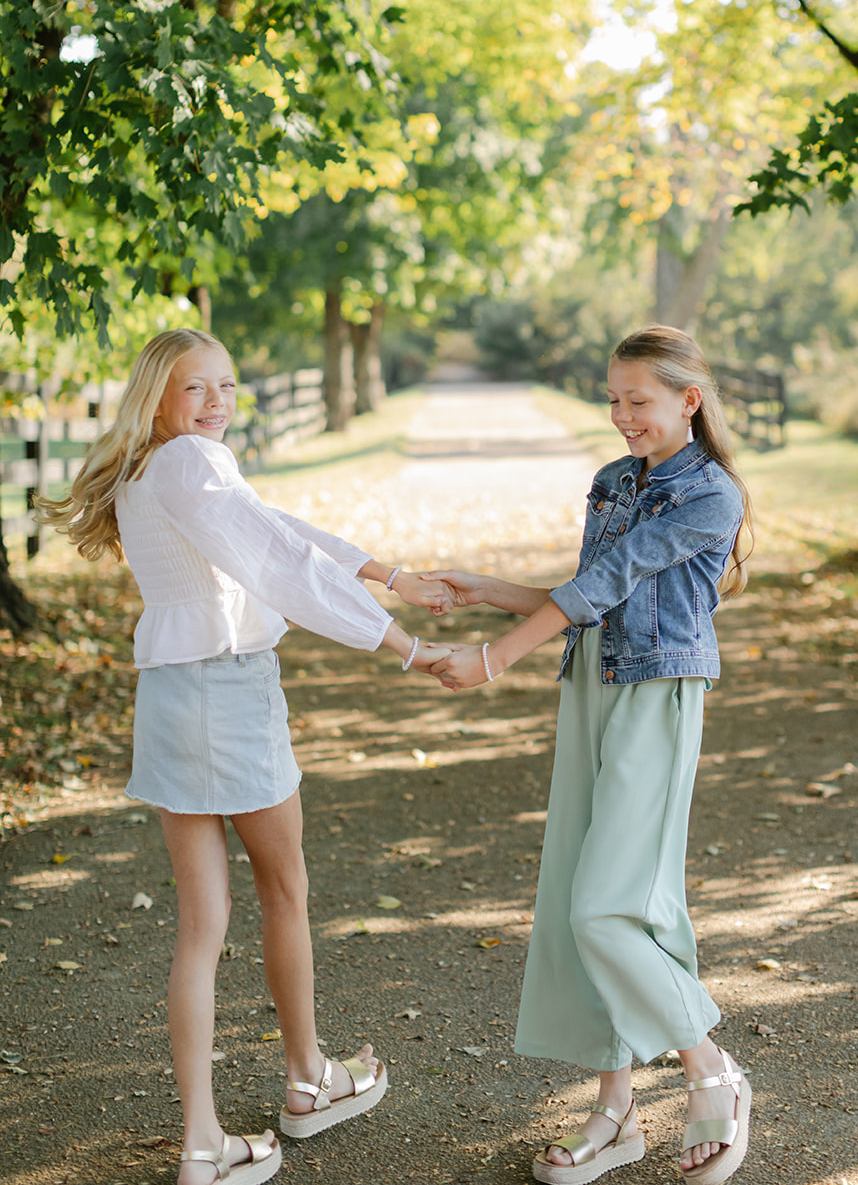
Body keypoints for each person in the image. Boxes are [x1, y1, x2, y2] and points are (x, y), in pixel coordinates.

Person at [38, 328, 444, 1185]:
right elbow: (278, 561)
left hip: (171, 700)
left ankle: (202, 1143)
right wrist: (403, 645)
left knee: (200, 927)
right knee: (284, 889)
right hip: (229, 691)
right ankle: (307, 1081)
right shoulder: (194, 466)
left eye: (226, 385)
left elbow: (271, 527)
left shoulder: (154, 471)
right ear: (158, 397)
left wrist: (386, 571)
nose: (217, 402)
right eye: (197, 389)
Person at [422, 326, 755, 1185]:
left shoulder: (711, 495)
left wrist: (495, 658)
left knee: (609, 909)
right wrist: (483, 590)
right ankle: (615, 1113)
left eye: (636, 400)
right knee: (584, 895)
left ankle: (708, 1066)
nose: (620, 416)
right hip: (589, 687)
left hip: (656, 694)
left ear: (687, 400)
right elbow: (581, 598)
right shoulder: (611, 482)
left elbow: (606, 586)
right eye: (612, 399)